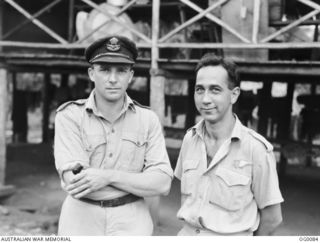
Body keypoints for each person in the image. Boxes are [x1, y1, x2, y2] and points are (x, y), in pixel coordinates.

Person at [54, 35, 173, 236]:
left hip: (132, 219)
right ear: (91, 73)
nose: (113, 79)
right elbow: (75, 181)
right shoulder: (70, 116)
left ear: (131, 75)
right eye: (105, 69)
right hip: (81, 218)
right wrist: (138, 181)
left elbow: (162, 183)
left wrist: (107, 176)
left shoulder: (147, 119)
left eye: (121, 70)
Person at [174, 53, 284, 236]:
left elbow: (273, 218)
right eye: (199, 89)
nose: (205, 99)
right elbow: (186, 200)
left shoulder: (255, 149)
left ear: (234, 95)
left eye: (215, 90)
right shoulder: (190, 139)